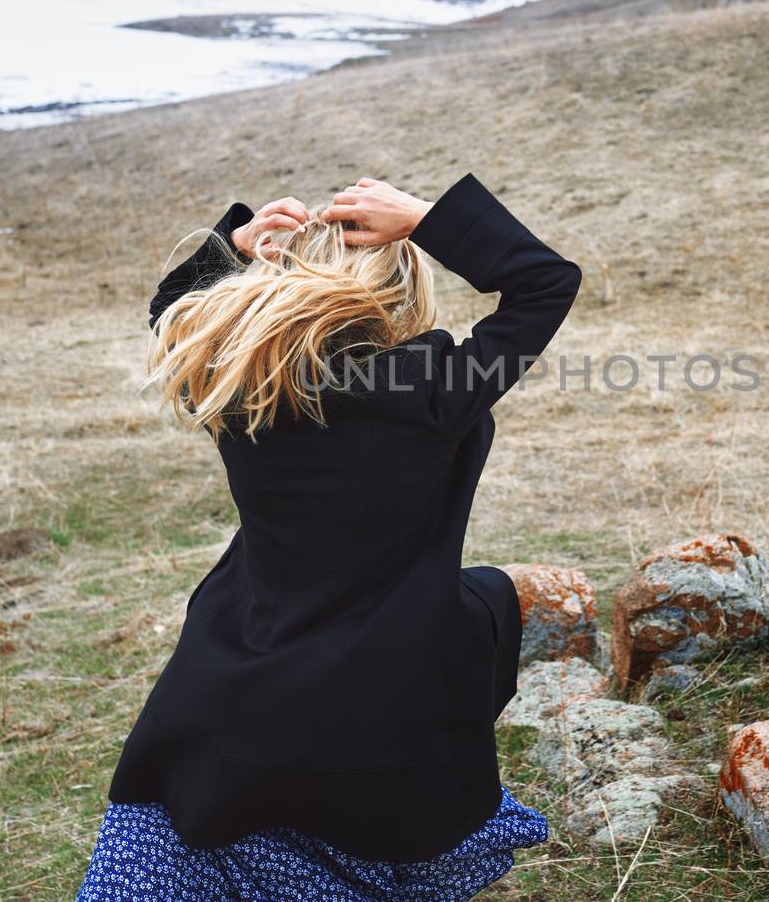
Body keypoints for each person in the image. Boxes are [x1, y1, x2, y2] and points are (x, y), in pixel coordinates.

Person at [75, 172, 582, 900]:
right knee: (490, 599)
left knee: (482, 598)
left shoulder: (234, 375)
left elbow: (171, 310)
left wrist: (235, 244)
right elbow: (545, 283)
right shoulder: (432, 387)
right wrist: (428, 218)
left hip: (244, 667)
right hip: (388, 691)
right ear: (394, 295)